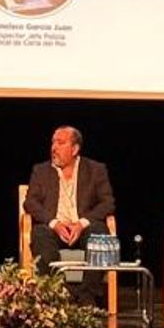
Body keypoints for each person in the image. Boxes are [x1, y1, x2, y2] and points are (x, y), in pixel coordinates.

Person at [23, 126, 115, 306]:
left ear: (75, 149)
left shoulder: (95, 169)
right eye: (53, 142)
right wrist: (54, 223)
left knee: (100, 233)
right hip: (54, 228)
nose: (54, 148)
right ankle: (58, 294)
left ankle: (87, 297)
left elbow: (107, 202)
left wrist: (81, 224)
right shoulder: (41, 170)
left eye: (60, 143)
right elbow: (30, 203)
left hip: (82, 227)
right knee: (40, 234)